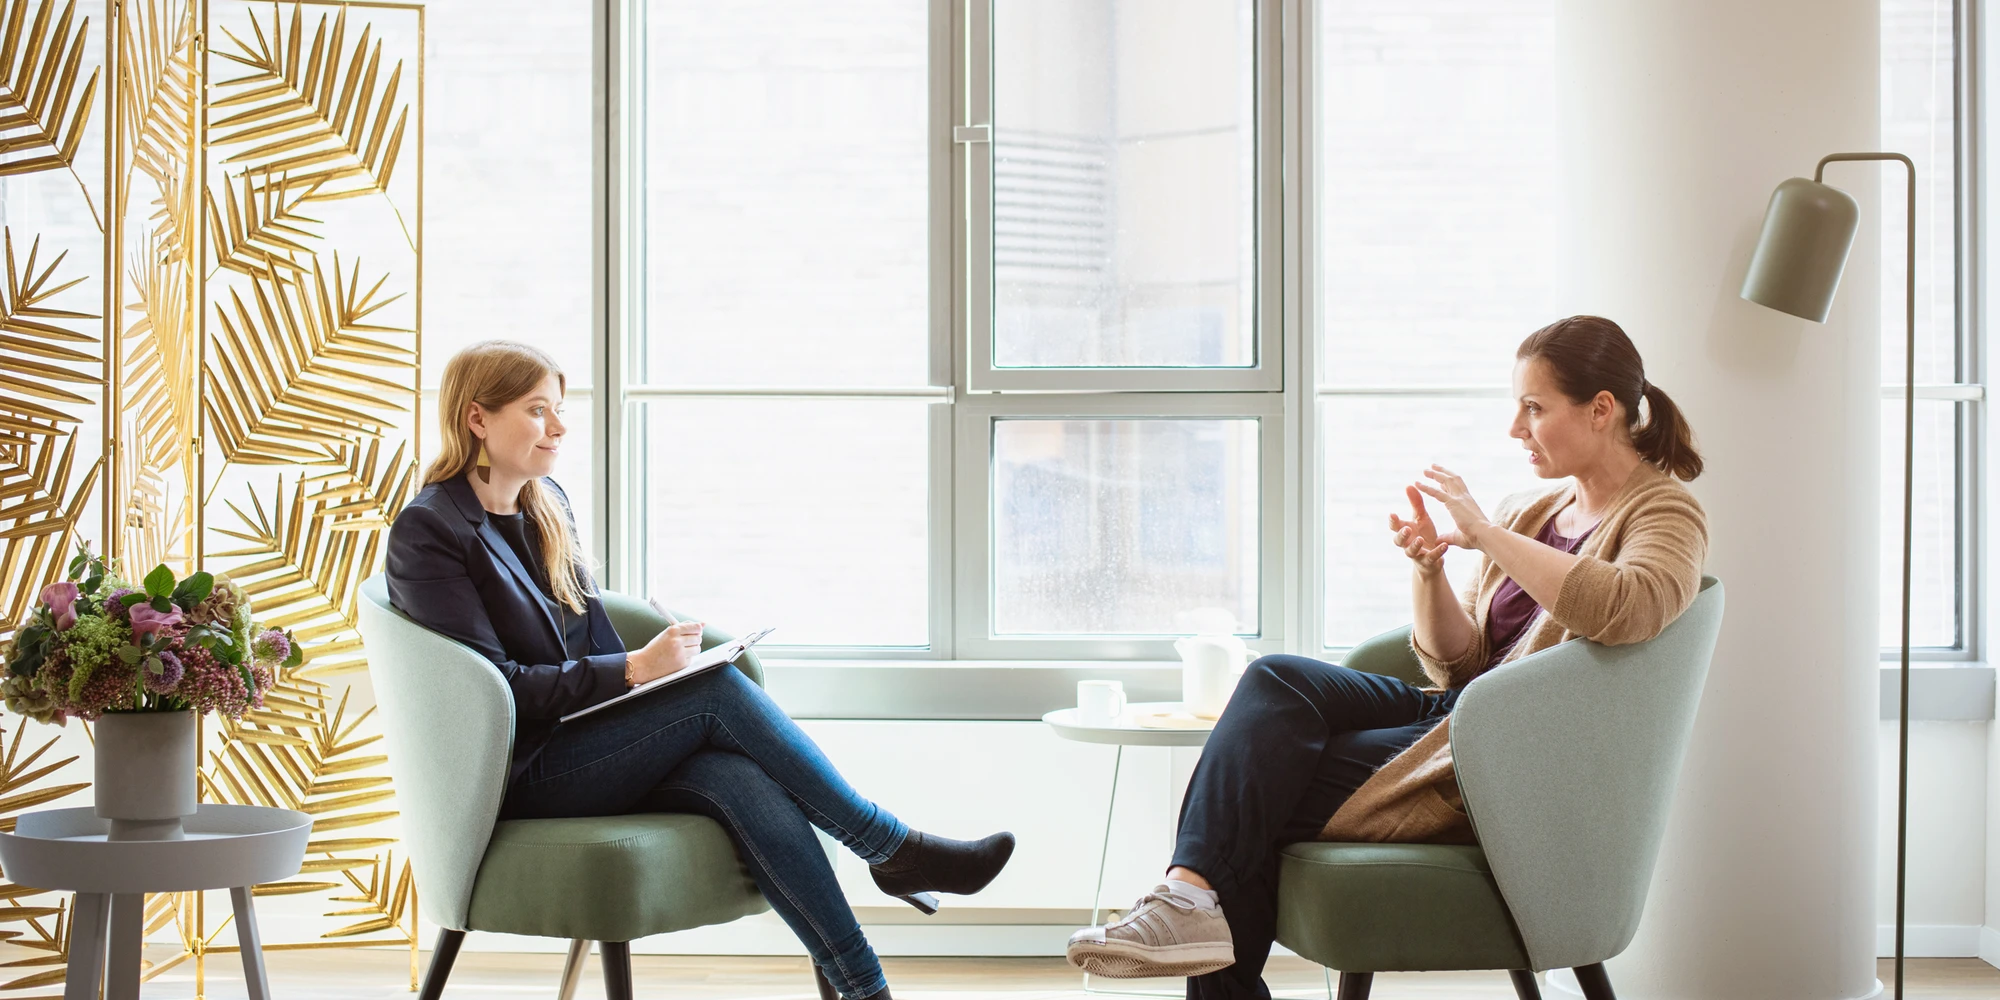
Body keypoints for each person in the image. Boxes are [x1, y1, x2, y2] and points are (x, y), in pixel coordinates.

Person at [1066, 316, 1710, 999]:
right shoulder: (1532, 510)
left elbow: (1630, 608)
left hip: (1501, 757)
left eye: (1533, 408)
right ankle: (1187, 897)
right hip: (1459, 711)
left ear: (1601, 409)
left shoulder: (1665, 513)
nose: (1515, 429)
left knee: (1255, 786)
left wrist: (1485, 534)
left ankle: (1186, 899)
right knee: (1276, 677)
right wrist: (1430, 572)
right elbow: (1460, 666)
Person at [386, 340, 1015, 1000]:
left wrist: (659, 676)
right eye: (538, 410)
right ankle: (890, 848)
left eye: (560, 410)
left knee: (737, 775)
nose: (560, 428)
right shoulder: (430, 531)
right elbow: (498, 693)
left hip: (584, 742)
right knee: (715, 694)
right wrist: (635, 669)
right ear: (477, 418)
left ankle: (866, 988)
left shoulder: (547, 504)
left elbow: (587, 635)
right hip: (520, 771)